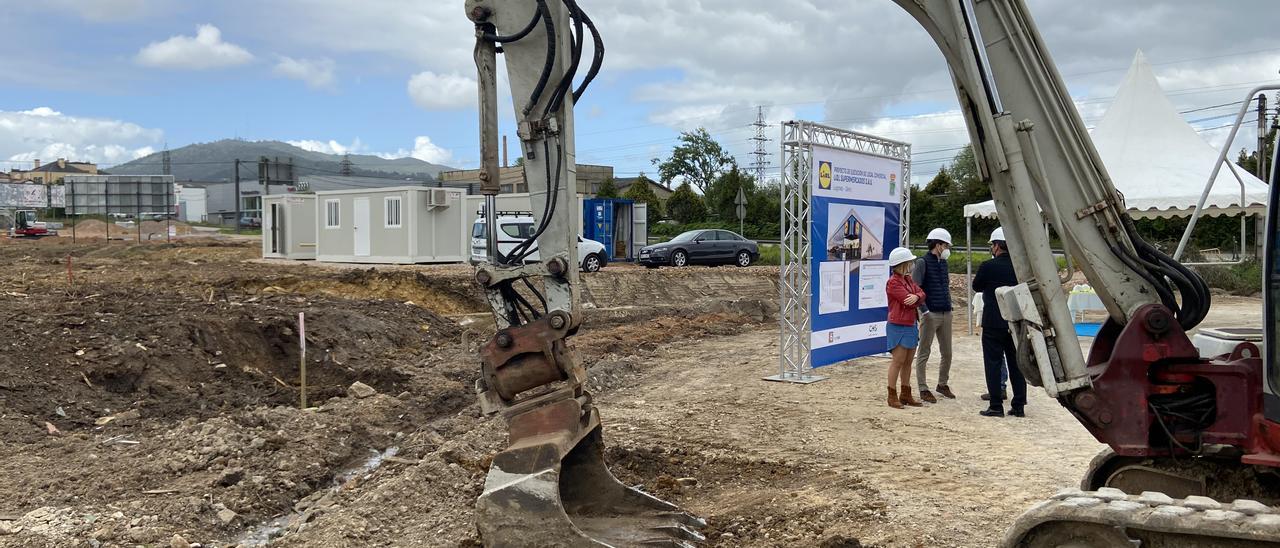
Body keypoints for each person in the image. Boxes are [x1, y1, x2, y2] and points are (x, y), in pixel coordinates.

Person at [972, 228, 1027, 417]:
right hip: (1016, 322)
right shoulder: (1021, 266)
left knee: (993, 363)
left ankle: (996, 405)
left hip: (993, 322)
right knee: (1017, 363)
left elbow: (976, 286)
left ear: (997, 245)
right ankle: (1019, 405)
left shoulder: (988, 266)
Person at [912, 227, 955, 403]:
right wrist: (924, 311)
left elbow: (945, 285)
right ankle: (923, 387)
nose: (947, 249)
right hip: (930, 313)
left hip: (946, 312)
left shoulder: (943, 263)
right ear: (938, 245)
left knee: (948, 352)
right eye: (946, 245)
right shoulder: (922, 262)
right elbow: (916, 288)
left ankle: (942, 384)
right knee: (924, 351)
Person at [885, 247, 926, 409]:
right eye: (910, 262)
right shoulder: (893, 282)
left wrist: (917, 296)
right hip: (898, 325)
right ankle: (892, 394)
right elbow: (905, 300)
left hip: (910, 324)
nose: (912, 264)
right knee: (898, 361)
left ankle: (906, 393)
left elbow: (921, 294)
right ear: (903, 264)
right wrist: (918, 297)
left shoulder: (908, 279)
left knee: (908, 361)